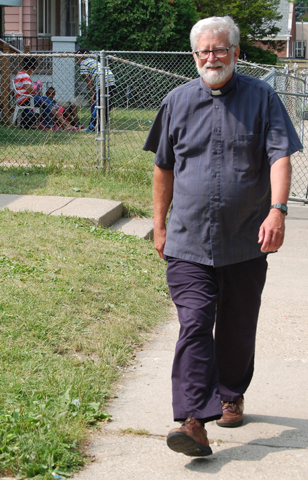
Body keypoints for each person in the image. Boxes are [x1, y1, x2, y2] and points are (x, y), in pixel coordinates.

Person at [143, 16, 302, 458]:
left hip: (246, 241)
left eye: (219, 50)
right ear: (194, 56)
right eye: (202, 52)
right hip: (188, 240)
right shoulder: (176, 101)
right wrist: (159, 225)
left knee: (236, 326)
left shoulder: (262, 97)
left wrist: (278, 210)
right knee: (194, 324)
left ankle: (231, 392)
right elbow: (163, 167)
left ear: (235, 52)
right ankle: (193, 421)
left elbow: (279, 157)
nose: (210, 58)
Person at [76, 49, 116, 131]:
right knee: (106, 105)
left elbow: (88, 78)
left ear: (81, 57)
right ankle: (100, 126)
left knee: (96, 105)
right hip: (111, 80)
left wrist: (92, 93)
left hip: (102, 82)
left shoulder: (84, 63)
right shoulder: (93, 61)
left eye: (77, 59)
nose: (77, 63)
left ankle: (93, 126)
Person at [14, 57, 56, 130]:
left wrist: (36, 89)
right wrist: (37, 85)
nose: (32, 72)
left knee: (49, 99)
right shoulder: (25, 75)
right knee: (47, 102)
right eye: (33, 70)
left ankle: (46, 121)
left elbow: (29, 89)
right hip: (24, 99)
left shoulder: (20, 74)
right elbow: (30, 89)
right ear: (31, 69)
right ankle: (48, 125)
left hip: (25, 98)